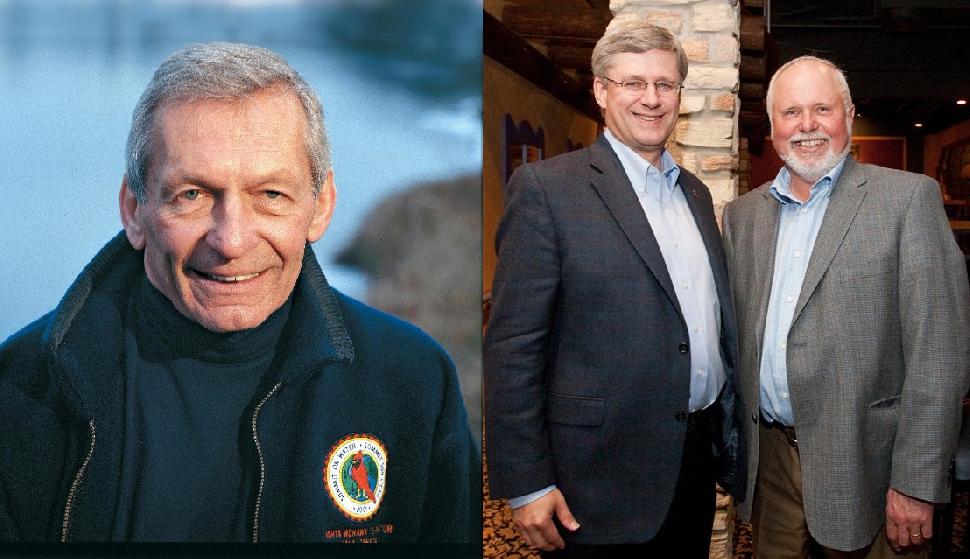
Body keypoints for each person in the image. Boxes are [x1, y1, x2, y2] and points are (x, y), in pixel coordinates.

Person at [0, 42, 477, 543]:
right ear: (134, 211)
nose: (230, 240)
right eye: (193, 195)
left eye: (270, 195)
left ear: (320, 207)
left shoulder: (413, 382)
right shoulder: (20, 393)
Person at [484, 20, 744, 557]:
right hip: (594, 478)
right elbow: (513, 348)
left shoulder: (694, 193)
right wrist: (527, 481)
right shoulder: (547, 190)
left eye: (665, 85)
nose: (651, 99)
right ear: (602, 91)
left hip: (690, 462)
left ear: (679, 95)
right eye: (632, 83)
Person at [722, 55, 970, 557]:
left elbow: (938, 355)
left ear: (849, 116)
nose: (807, 125)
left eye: (822, 109)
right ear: (772, 128)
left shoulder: (906, 201)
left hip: (870, 465)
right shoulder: (743, 216)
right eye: (791, 112)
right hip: (770, 462)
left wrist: (915, 484)